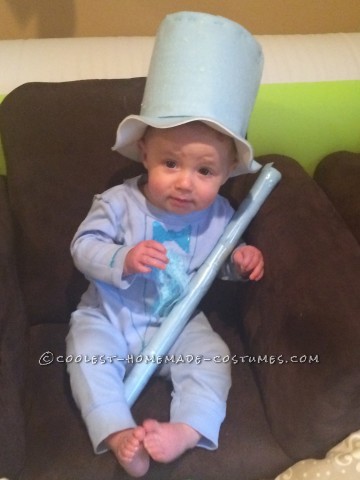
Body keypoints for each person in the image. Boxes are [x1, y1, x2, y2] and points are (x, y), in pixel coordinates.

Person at [66, 11, 265, 478]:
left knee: (213, 360)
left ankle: (187, 430)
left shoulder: (220, 216)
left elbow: (217, 266)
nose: (184, 183)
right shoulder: (117, 202)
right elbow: (83, 245)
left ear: (226, 173)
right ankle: (119, 434)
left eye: (205, 171)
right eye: (170, 162)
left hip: (179, 323)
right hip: (111, 315)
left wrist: (238, 262)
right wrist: (122, 258)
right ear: (145, 154)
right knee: (86, 355)